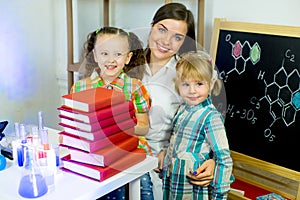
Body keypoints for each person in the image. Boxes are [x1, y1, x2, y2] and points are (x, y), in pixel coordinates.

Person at [135, 3, 216, 199]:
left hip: (160, 163)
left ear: (184, 42)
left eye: (177, 37)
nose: (166, 41)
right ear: (152, 25)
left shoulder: (187, 75)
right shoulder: (126, 62)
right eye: (161, 30)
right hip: (121, 154)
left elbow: (207, 121)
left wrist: (212, 161)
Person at [70, 26, 152, 199]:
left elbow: (144, 128)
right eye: (105, 53)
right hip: (94, 155)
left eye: (118, 54)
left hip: (131, 153)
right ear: (95, 55)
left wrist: (119, 128)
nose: (111, 60)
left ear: (128, 57)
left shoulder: (135, 87)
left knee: (140, 189)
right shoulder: (80, 87)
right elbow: (74, 125)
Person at [162, 51, 233, 199]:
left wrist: (219, 194)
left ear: (211, 83)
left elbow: (223, 157)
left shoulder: (210, 117)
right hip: (175, 185)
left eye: (199, 84)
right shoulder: (182, 109)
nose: (192, 90)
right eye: (186, 84)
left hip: (193, 190)